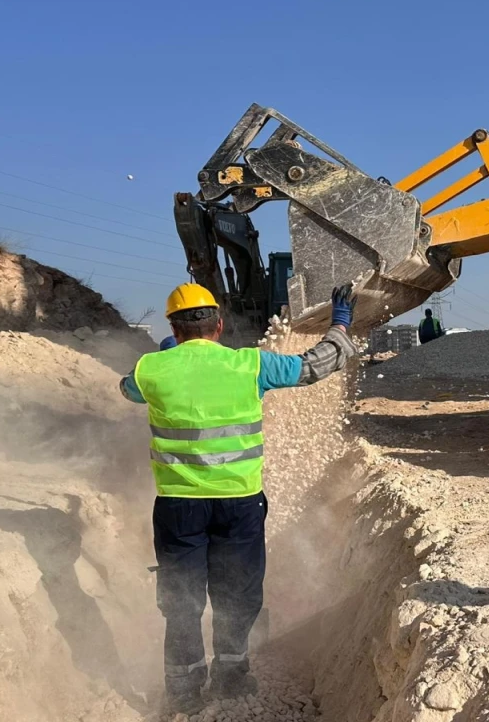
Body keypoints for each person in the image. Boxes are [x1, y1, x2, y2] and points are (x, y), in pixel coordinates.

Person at [118, 282, 359, 715]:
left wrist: (166, 356)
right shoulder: (251, 365)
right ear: (220, 325)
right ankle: (230, 678)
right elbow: (318, 365)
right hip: (239, 504)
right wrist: (340, 322)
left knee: (181, 600)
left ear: (173, 326)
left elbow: (127, 389)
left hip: (178, 507)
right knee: (238, 593)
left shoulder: (151, 369)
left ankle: (184, 691)